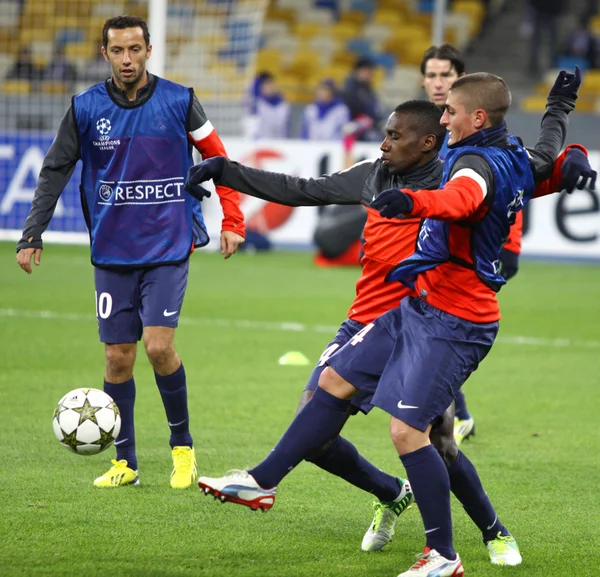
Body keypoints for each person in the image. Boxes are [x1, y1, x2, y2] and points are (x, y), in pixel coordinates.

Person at [184, 72, 592, 569]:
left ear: (431, 141)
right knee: (321, 402)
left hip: (441, 321)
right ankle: (286, 483)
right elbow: (299, 188)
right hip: (382, 316)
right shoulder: (376, 173)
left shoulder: (463, 169)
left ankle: (485, 532)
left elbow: (513, 178)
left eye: (396, 135)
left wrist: (572, 157)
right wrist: (226, 171)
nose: (384, 143)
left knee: (430, 441)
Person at [15, 15, 245, 489]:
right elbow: (55, 170)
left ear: (148, 50)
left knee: (159, 347)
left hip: (167, 244)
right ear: (105, 54)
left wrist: (233, 220)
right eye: (118, 51)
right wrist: (32, 233)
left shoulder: (179, 100)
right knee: (118, 358)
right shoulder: (85, 107)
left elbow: (218, 158)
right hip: (113, 250)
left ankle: (183, 450)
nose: (127, 59)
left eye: (134, 49)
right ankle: (125, 463)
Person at [420, 43, 523, 443]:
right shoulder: (423, 123)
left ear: (459, 78)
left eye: (445, 74)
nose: (437, 82)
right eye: (431, 74)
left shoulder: (474, 130)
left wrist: (511, 244)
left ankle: (449, 419)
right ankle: (451, 417)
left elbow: (510, 184)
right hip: (430, 251)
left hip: (469, 255)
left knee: (441, 331)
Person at [342, 57, 383, 142]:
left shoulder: (368, 89)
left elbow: (374, 110)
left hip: (369, 126)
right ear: (358, 71)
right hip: (353, 129)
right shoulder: (349, 89)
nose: (370, 74)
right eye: (367, 71)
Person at [245, 71, 290, 140]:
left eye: (272, 84)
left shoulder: (283, 106)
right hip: (261, 143)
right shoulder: (257, 104)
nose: (271, 87)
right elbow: (247, 100)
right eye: (267, 85)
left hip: (279, 143)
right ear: (261, 87)